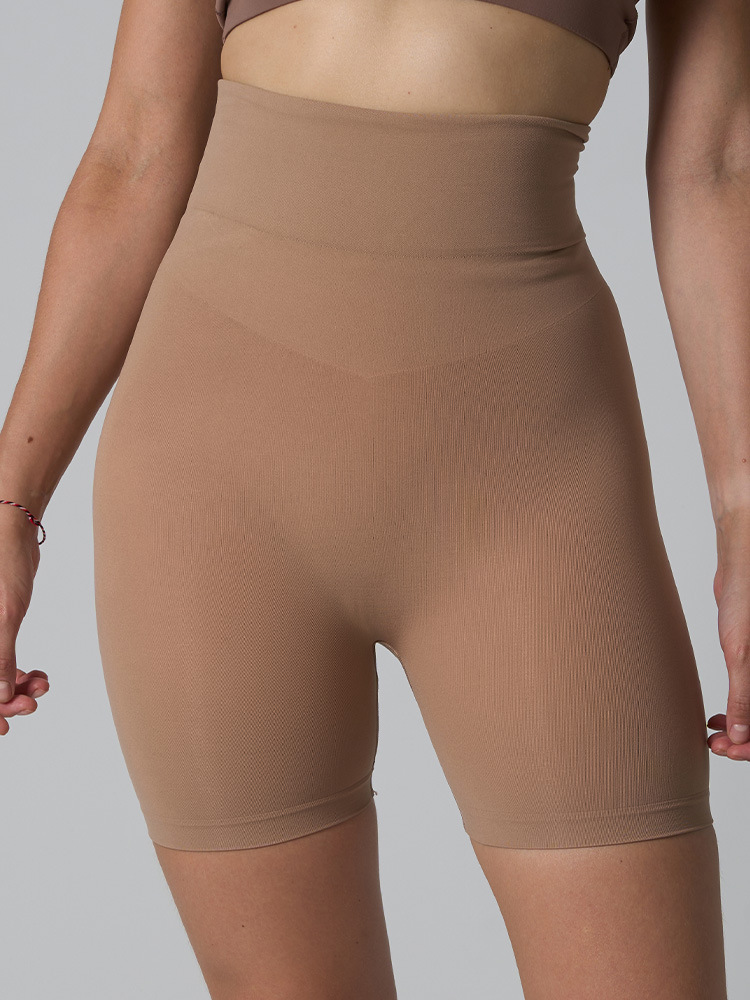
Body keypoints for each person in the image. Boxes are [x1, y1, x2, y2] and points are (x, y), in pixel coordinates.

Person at [1, 0, 747, 996]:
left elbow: (717, 164)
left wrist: (743, 513)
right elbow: (132, 151)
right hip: (213, 486)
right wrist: (10, 507)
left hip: (526, 478)